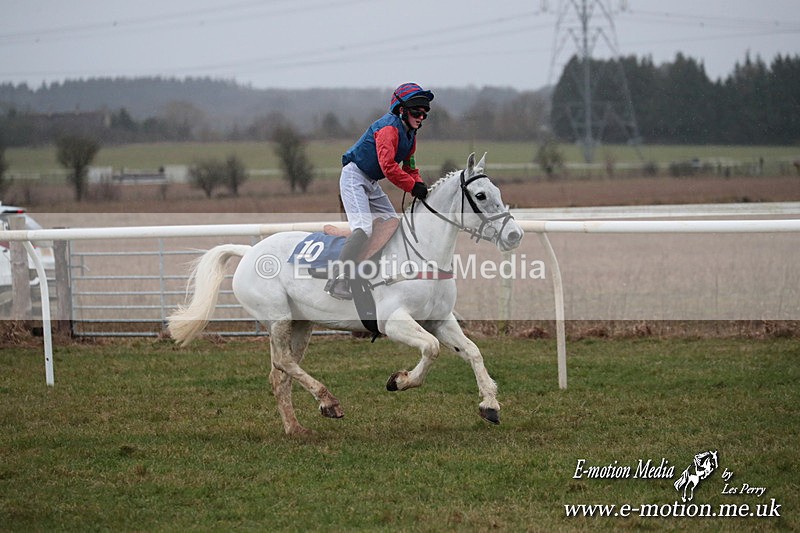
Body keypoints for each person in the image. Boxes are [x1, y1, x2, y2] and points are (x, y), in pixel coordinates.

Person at [324, 82, 433, 300]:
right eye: (416, 112)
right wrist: (412, 187)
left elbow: (410, 168)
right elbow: (389, 167)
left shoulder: (411, 136)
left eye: (424, 114)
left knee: (391, 222)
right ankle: (338, 279)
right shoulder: (388, 129)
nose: (421, 117)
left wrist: (420, 186)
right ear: (401, 110)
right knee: (364, 228)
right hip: (354, 177)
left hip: (371, 182)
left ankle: (376, 270)